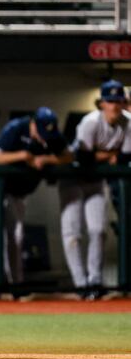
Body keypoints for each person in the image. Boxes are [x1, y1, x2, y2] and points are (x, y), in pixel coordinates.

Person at [59, 80, 131, 300]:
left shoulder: (129, 122)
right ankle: (81, 285)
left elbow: (126, 157)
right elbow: (84, 157)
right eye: (110, 101)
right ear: (101, 104)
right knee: (73, 234)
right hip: (73, 178)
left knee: (98, 230)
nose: (114, 106)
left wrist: (105, 156)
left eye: (118, 101)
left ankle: (95, 281)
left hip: (96, 181)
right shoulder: (89, 122)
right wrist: (110, 155)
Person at [0, 107, 73, 289]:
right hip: (1, 187)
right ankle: (11, 284)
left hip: (21, 192)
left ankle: (13, 284)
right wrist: (22, 155)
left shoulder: (52, 135)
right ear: (33, 124)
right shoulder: (16, 128)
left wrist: (47, 159)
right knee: (12, 235)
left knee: (15, 236)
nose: (44, 138)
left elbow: (69, 156)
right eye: (41, 132)